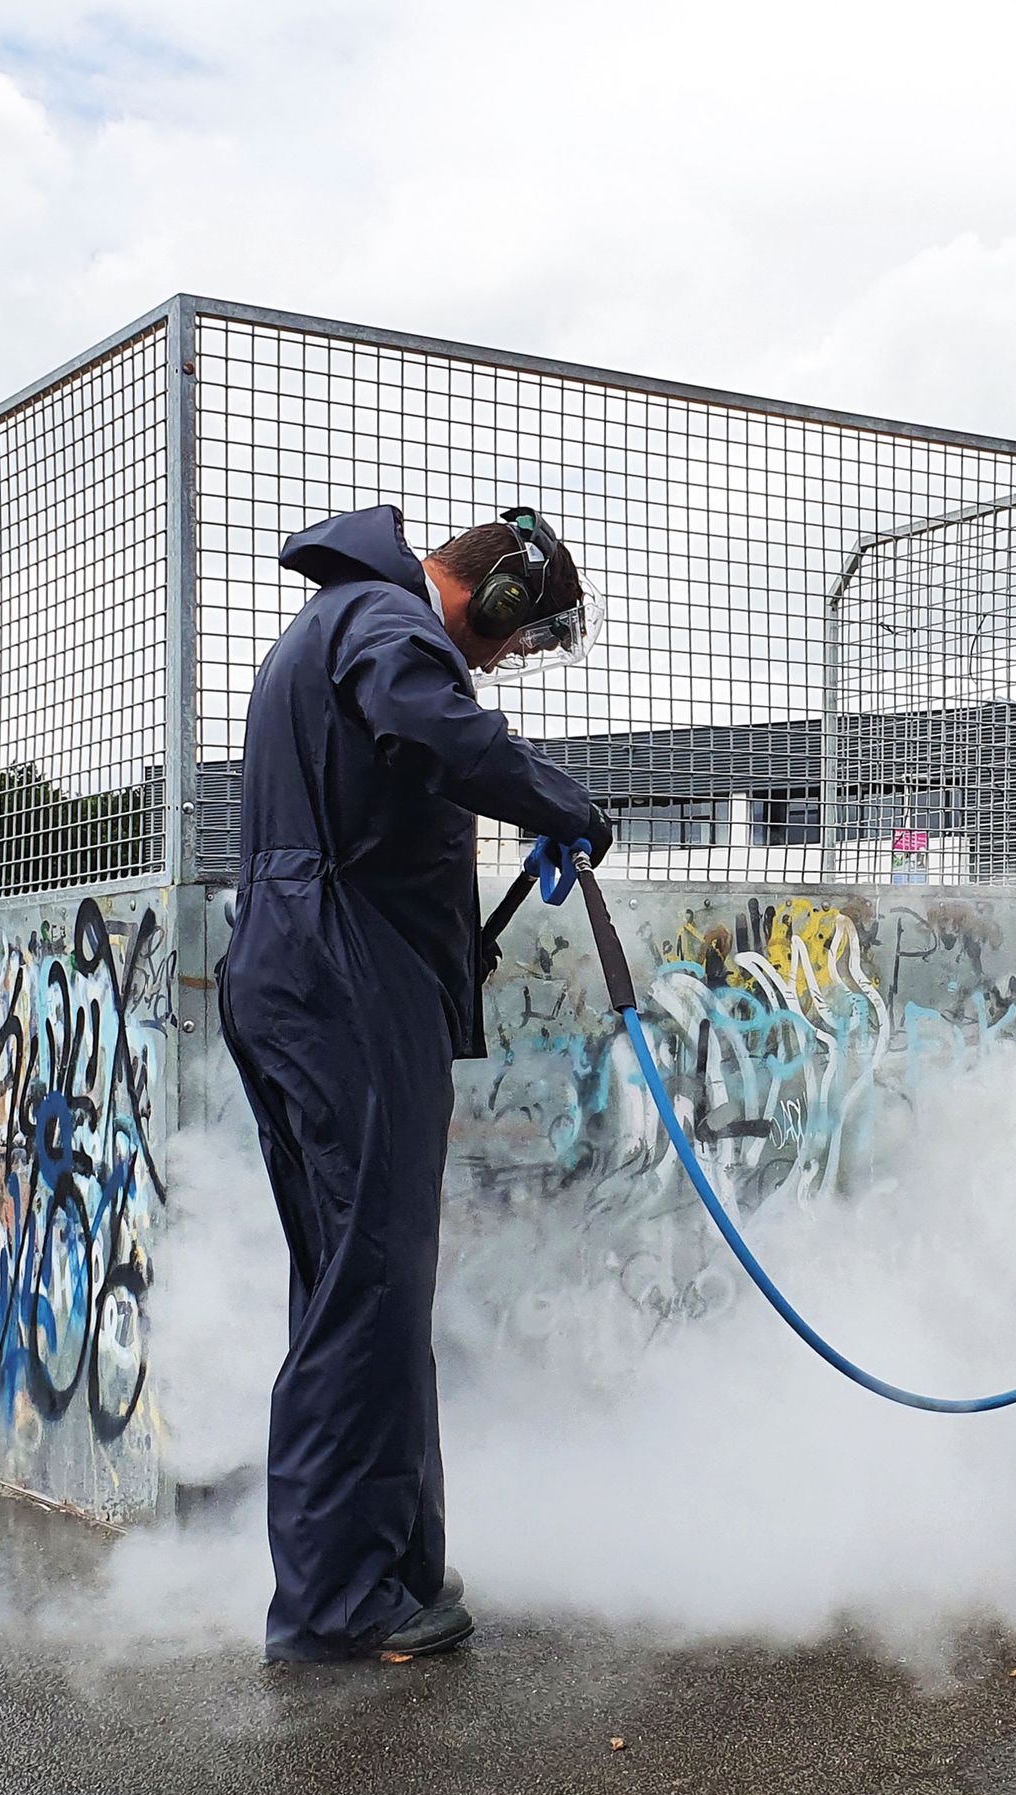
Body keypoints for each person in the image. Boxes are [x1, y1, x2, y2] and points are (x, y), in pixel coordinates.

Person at [219, 504, 612, 1663]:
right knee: (369, 1293)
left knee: (356, 1290)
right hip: (343, 981)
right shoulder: (392, 627)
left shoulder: (338, 620)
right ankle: (343, 1606)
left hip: (307, 970)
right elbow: (438, 732)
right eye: (514, 640)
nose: (503, 664)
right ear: (494, 601)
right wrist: (563, 804)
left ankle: (385, 1563)